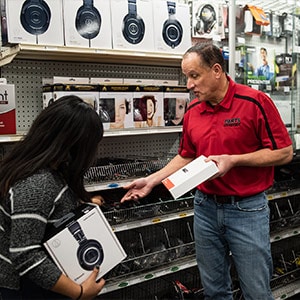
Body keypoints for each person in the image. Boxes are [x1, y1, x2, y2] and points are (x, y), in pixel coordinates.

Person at [121, 43, 293, 299]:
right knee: (213, 291)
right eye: (186, 77)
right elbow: (187, 155)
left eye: (194, 75)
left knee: (256, 291)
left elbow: (284, 152)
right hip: (205, 209)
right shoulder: (193, 111)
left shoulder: (255, 102)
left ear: (216, 70)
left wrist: (233, 160)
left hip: (246, 210)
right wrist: (152, 181)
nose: (189, 84)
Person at [0, 95, 106, 299]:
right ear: (76, 145)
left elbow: (45, 216)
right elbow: (26, 254)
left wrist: (81, 206)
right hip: (27, 289)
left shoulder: (47, 169)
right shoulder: (37, 184)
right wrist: (80, 292)